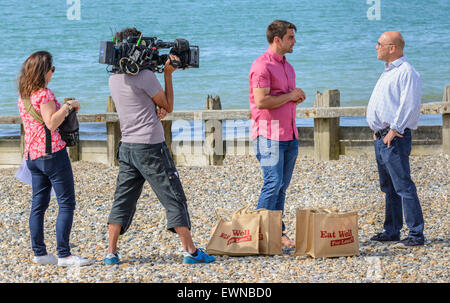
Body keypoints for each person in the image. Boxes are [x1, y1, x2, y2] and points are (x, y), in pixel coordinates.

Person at [104, 28, 215, 265]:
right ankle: (191, 252)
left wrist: (155, 109)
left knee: (122, 199)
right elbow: (168, 105)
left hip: (127, 147)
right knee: (173, 196)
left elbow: (142, 104)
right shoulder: (145, 77)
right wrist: (167, 74)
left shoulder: (113, 79)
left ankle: (111, 253)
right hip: (151, 147)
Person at [17, 51, 90, 266]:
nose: (52, 73)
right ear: (43, 71)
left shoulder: (23, 95)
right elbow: (51, 123)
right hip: (52, 155)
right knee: (66, 203)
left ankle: (39, 253)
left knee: (38, 204)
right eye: (52, 69)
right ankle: (65, 255)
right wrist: (67, 106)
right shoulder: (45, 94)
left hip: (32, 155)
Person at [248, 20, 306, 247]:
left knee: (282, 186)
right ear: (277, 39)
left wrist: (295, 98)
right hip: (268, 134)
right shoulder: (261, 66)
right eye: (290, 37)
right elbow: (261, 101)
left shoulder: (287, 66)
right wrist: (291, 96)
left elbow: (283, 98)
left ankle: (278, 235)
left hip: (290, 134)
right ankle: (258, 235)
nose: (294, 41)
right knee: (273, 182)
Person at [366, 31, 425, 246]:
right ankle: (392, 230)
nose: (376, 47)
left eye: (379, 43)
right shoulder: (388, 72)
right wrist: (377, 129)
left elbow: (408, 104)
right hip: (382, 137)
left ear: (393, 48)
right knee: (388, 188)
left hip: (394, 137)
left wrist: (393, 130)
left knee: (403, 186)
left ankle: (416, 234)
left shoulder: (407, 72)